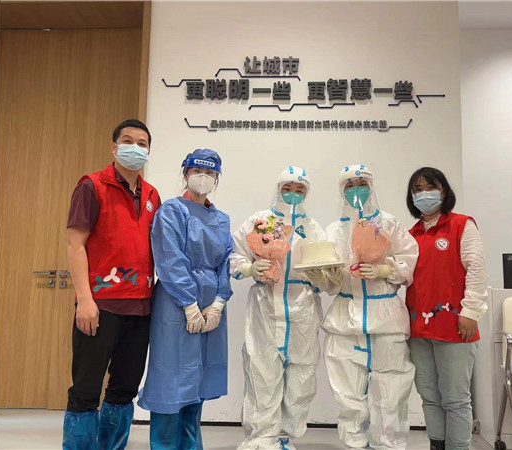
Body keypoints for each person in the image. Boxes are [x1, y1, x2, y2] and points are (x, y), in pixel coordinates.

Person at [63, 119, 160, 449]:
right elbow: (75, 244)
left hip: (141, 308)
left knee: (124, 390)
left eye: (142, 144)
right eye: (128, 141)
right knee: (86, 390)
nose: (136, 148)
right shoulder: (92, 186)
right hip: (100, 306)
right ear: (114, 147)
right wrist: (84, 300)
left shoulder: (152, 195)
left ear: (149, 151)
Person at [316, 164, 418, 450]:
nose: (356, 189)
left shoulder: (389, 223)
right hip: (345, 320)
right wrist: (325, 276)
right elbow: (331, 282)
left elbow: (409, 260)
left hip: (385, 317)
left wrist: (386, 270)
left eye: (361, 183)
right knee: (347, 394)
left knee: (391, 391)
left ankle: (389, 444)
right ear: (342, 191)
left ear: (371, 186)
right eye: (349, 185)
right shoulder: (334, 230)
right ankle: (354, 444)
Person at [137, 149, 233, 449]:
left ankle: (190, 445)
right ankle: (164, 445)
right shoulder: (171, 211)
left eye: (210, 173)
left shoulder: (221, 220)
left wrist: (219, 303)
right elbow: (170, 259)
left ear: (217, 179)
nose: (203, 178)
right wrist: (190, 305)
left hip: (211, 303)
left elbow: (227, 262)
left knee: (198, 377)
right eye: (197, 172)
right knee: (170, 377)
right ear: (186, 174)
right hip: (176, 303)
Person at [229, 166, 326, 450]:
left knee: (301, 376)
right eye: (287, 188)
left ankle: (285, 436)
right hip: (265, 304)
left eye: (299, 189)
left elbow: (326, 268)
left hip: (302, 307)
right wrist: (250, 268)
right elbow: (235, 255)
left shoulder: (312, 228)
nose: (293, 194)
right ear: (278, 189)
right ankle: (262, 438)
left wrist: (322, 276)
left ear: (306, 193)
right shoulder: (260, 221)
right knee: (262, 371)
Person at [405, 167, 488, 450]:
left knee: (455, 398)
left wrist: (471, 312)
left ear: (443, 191)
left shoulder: (462, 225)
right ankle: (437, 445)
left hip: (455, 325)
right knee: (429, 396)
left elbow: (476, 269)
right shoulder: (410, 235)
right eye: (417, 189)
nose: (424, 194)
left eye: (430, 187)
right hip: (418, 327)